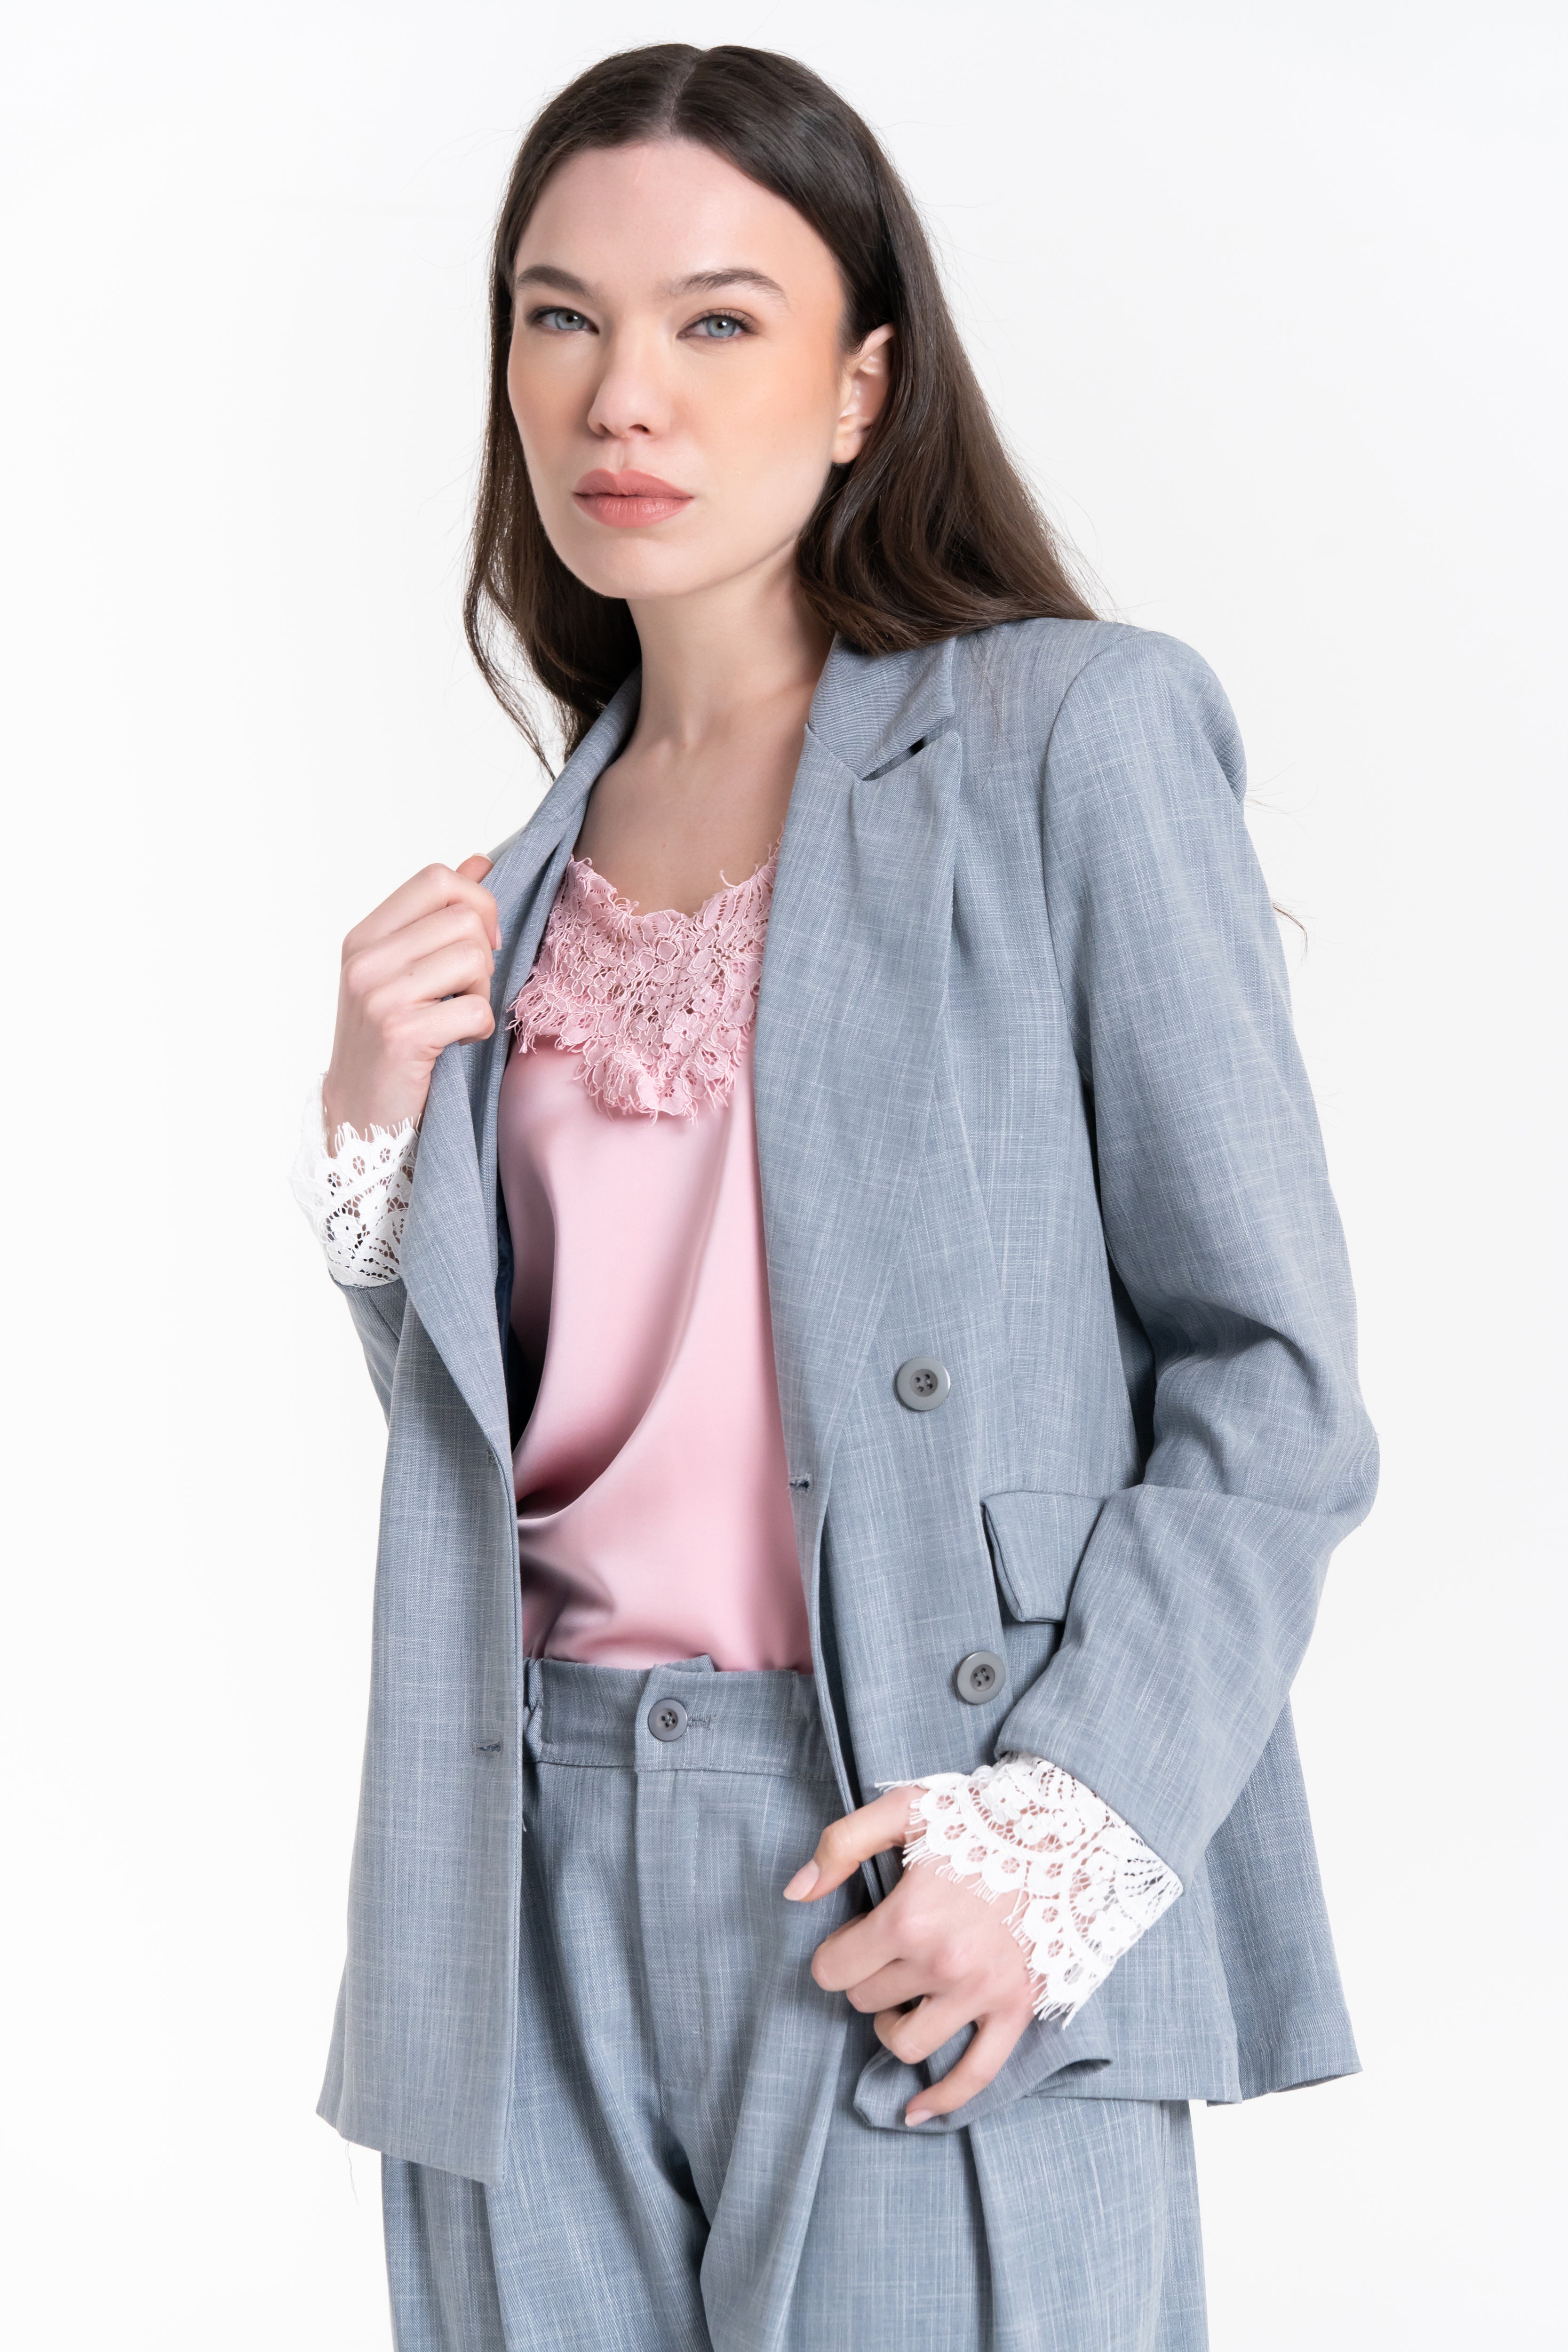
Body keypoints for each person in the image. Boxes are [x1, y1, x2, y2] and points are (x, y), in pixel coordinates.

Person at [293, 42, 1377, 2352]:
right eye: (561, 317)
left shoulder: (1069, 738)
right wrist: (374, 1130)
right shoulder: (514, 886)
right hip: (513, 1874)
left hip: (907, 1833)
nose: (623, 393)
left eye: (718, 318)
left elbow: (1272, 1378)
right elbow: (518, 1442)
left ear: (864, 381)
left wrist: (1064, 1828)